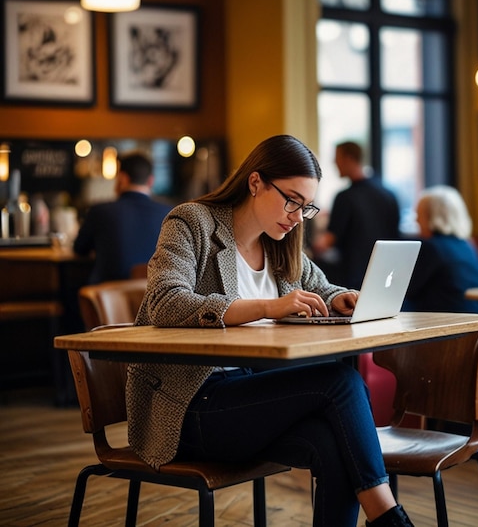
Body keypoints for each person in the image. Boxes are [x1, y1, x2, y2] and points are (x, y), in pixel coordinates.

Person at [126, 135, 414, 527]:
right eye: (291, 200)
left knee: (335, 445)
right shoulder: (191, 222)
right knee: (341, 382)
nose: (297, 216)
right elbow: (164, 301)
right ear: (256, 182)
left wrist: (341, 298)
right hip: (189, 406)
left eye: (306, 207)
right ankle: (390, 519)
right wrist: (266, 307)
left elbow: (318, 286)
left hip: (248, 397)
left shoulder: (281, 242)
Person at [74, 150, 172, 283]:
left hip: (108, 300)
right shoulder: (168, 214)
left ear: (122, 178)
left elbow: (79, 249)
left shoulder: (99, 212)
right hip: (152, 298)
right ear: (150, 181)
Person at [312, 141, 400, 289]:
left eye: (337, 158)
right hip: (385, 275)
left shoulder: (345, 197)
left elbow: (327, 241)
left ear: (348, 159)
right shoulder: (389, 194)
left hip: (352, 278)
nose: (334, 163)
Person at [403, 185, 478, 313]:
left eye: (419, 215)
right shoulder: (467, 245)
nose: (416, 220)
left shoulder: (431, 248)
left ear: (433, 217)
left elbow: (406, 292)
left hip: (454, 326)